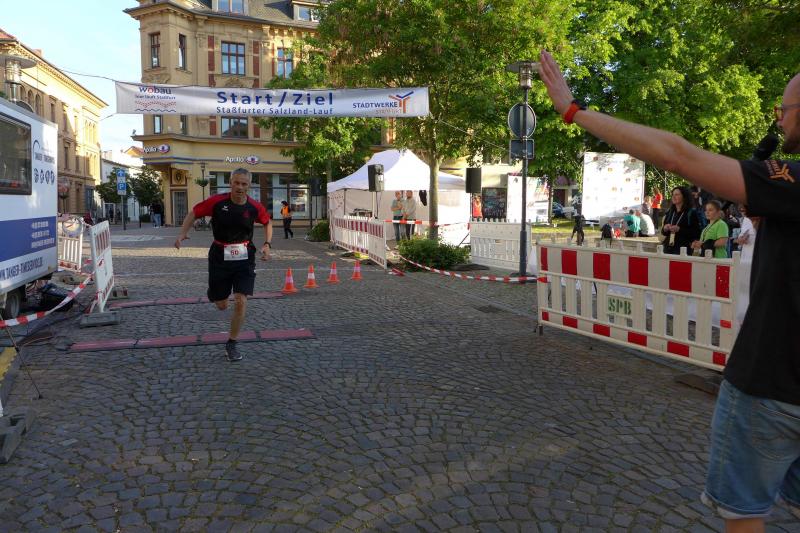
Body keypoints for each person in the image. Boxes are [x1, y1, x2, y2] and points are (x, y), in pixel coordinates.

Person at [539, 49, 800, 531]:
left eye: (783, 110)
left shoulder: (791, 181)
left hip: (770, 384)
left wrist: (575, 111)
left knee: (744, 513)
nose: (779, 121)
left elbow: (677, 155)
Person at [174, 168, 272, 362]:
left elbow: (267, 222)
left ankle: (232, 343)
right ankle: (215, 293)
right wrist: (182, 233)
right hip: (220, 256)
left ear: (249, 185)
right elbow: (194, 212)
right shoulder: (217, 202)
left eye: (244, 184)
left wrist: (267, 244)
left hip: (245, 256)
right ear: (230, 183)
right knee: (221, 305)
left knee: (241, 300)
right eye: (236, 183)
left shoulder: (254, 206)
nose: (240, 187)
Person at [733, 204, 760, 331]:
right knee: (744, 287)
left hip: (757, 256)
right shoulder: (745, 220)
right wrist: (740, 239)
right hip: (745, 257)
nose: (742, 210)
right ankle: (743, 316)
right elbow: (741, 236)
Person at [660, 186, 701, 254]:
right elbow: (663, 232)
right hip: (668, 248)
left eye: (677, 194)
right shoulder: (670, 212)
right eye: (673, 195)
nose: (673, 197)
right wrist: (665, 228)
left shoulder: (691, 213)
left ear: (684, 196)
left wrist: (680, 229)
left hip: (683, 249)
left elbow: (696, 233)